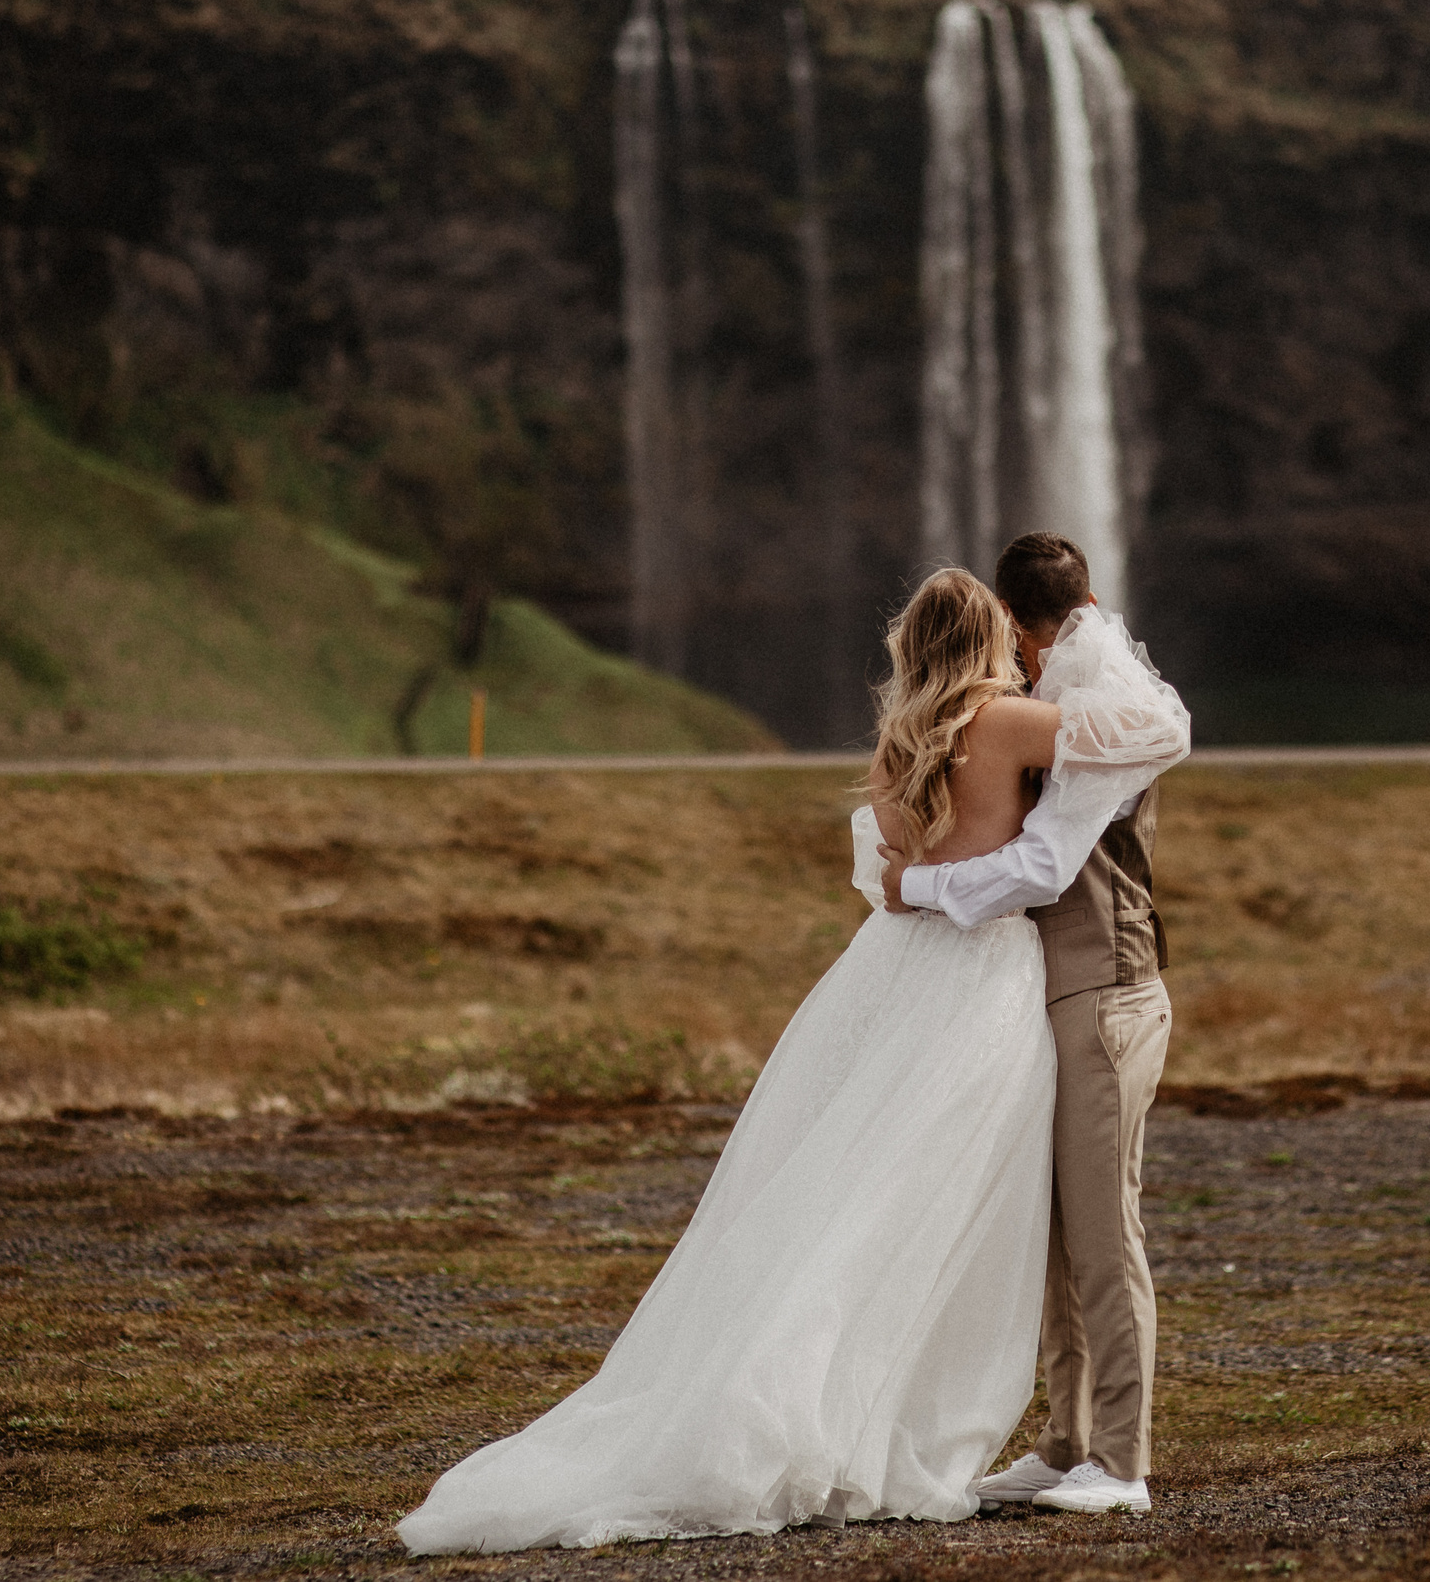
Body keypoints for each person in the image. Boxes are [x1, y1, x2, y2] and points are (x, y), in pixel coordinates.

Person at [395, 566, 1184, 1554]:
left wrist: (916, 885)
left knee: (859, 1187)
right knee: (941, 1209)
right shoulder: (1010, 722)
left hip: (898, 975)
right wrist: (1097, 647)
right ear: (990, 639)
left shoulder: (899, 743)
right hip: (986, 981)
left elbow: (886, 875)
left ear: (912, 646)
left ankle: (852, 1405)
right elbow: (1152, 737)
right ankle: (990, 1434)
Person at [882, 532, 1190, 1518]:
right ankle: (1065, 1444)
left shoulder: (1099, 708)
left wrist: (912, 887)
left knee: (1103, 1234)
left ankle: (1124, 1462)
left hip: (1105, 986)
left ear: (1015, 630)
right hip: (1061, 992)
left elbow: (1045, 867)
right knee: (1056, 1235)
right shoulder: (1066, 696)